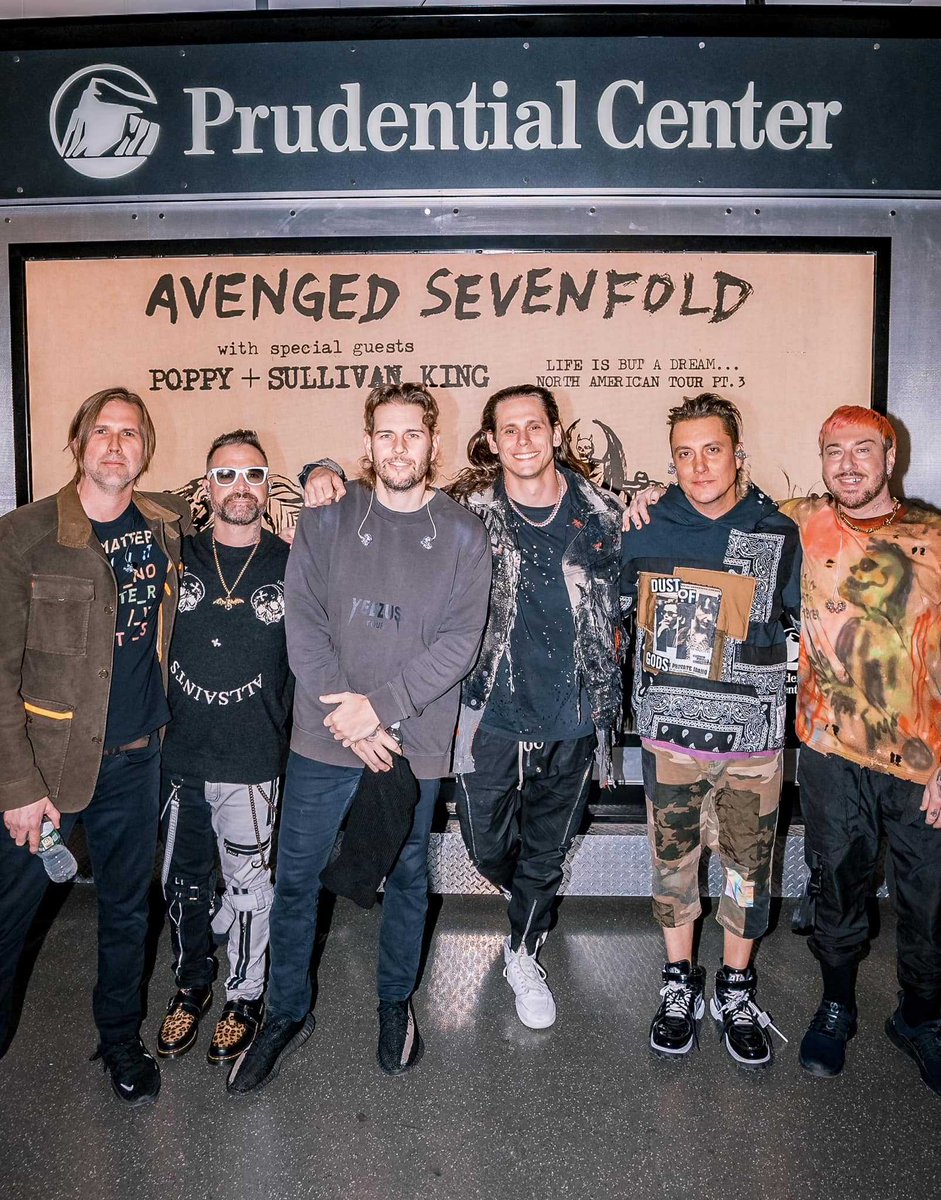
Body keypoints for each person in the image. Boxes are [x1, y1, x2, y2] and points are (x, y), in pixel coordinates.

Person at [227, 383, 490, 1095]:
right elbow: (302, 620)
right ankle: (285, 1013)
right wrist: (342, 712)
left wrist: (381, 711)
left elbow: (459, 644)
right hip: (324, 733)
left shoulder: (464, 533)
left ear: (434, 443)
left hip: (412, 740)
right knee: (297, 879)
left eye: (412, 434)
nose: (398, 447)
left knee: (407, 877)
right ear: (367, 442)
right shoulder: (328, 516)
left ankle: (394, 1002)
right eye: (385, 434)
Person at [0, 386, 189, 1105]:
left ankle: (120, 1042)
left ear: (146, 450)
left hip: (137, 761)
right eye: (101, 432)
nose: (116, 444)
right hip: (44, 770)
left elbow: (241, 502)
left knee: (127, 913)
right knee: (7, 915)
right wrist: (15, 784)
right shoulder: (24, 535)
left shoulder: (166, 525)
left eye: (130, 433)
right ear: (77, 444)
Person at [621, 392, 801, 1068]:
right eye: (684, 454)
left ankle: (734, 987)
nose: (698, 465)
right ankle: (677, 985)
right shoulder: (643, 527)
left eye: (712, 450)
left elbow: (802, 625)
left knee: (743, 875)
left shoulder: (778, 533)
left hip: (751, 746)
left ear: (737, 455)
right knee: (672, 871)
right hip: (669, 742)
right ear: (670, 462)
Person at [449, 385, 624, 1030]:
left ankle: (523, 949)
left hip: (575, 712)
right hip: (485, 710)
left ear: (555, 431)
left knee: (549, 847)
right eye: (509, 430)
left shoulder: (604, 513)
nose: (523, 440)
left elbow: (632, 597)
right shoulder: (463, 515)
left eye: (535, 426)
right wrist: (321, 481)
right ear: (492, 443)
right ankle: (527, 891)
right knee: (484, 841)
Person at [780, 407, 941, 1092]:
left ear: (889, 452)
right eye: (832, 451)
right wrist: (644, 500)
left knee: (929, 904)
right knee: (836, 888)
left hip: (922, 764)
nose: (847, 464)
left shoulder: (934, 537)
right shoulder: (799, 521)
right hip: (830, 754)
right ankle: (837, 1002)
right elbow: (714, 501)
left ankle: (920, 1017)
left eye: (861, 450)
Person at [155, 430, 293, 1068]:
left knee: (247, 888)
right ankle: (191, 986)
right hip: (179, 758)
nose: (241, 487)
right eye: (226, 475)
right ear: (205, 487)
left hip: (251, 759)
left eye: (254, 474)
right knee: (182, 884)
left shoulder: (293, 564)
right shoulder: (174, 557)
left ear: (269, 486)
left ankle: (244, 998)